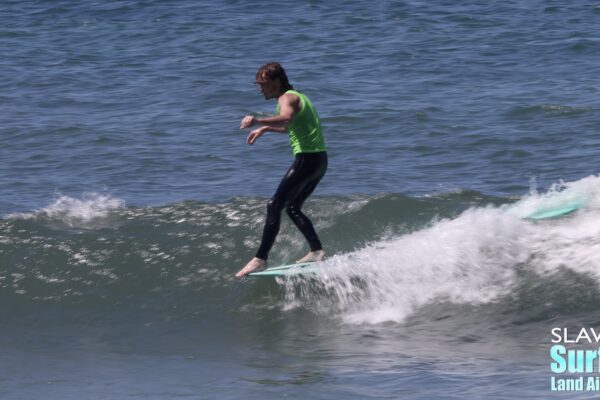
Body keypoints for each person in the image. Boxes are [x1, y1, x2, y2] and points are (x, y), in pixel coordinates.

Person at [235, 63, 328, 277]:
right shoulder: (295, 98)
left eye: (264, 84)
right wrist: (266, 128)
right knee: (293, 207)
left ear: (276, 82)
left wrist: (257, 120)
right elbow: (288, 126)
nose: (260, 89)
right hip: (319, 160)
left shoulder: (287, 98)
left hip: (307, 159)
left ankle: (260, 259)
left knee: (274, 204)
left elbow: (286, 118)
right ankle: (316, 251)